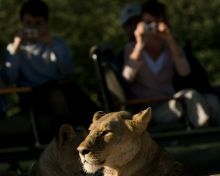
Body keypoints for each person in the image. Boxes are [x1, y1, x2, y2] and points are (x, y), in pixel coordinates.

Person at [1, 0, 99, 133]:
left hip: (58, 89)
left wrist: (53, 45)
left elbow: (67, 70)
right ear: (21, 23)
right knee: (57, 95)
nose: (33, 28)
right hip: (32, 95)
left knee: (72, 92)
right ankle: (71, 133)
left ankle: (95, 125)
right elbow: (9, 79)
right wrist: (15, 49)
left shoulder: (57, 43)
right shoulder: (13, 49)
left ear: (46, 23)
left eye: (38, 23)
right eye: (28, 23)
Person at [122, 0, 220, 128]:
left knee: (212, 100)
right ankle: (202, 134)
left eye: (157, 23)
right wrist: (140, 44)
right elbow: (127, 78)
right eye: (148, 24)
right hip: (148, 111)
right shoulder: (132, 49)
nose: (153, 28)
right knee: (190, 96)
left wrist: (169, 40)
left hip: (170, 101)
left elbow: (184, 71)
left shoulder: (171, 48)